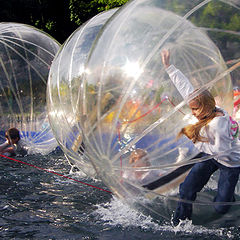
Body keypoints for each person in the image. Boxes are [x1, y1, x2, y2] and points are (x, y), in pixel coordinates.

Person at [161, 49, 240, 226]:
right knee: (186, 189)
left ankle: (227, 202)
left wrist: (195, 139)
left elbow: (219, 151)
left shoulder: (218, 123)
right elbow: (185, 87)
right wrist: (169, 67)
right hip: (210, 155)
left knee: (221, 206)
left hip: (230, 161)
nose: (193, 112)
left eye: (196, 109)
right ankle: (180, 223)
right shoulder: (206, 110)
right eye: (192, 108)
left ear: (206, 106)